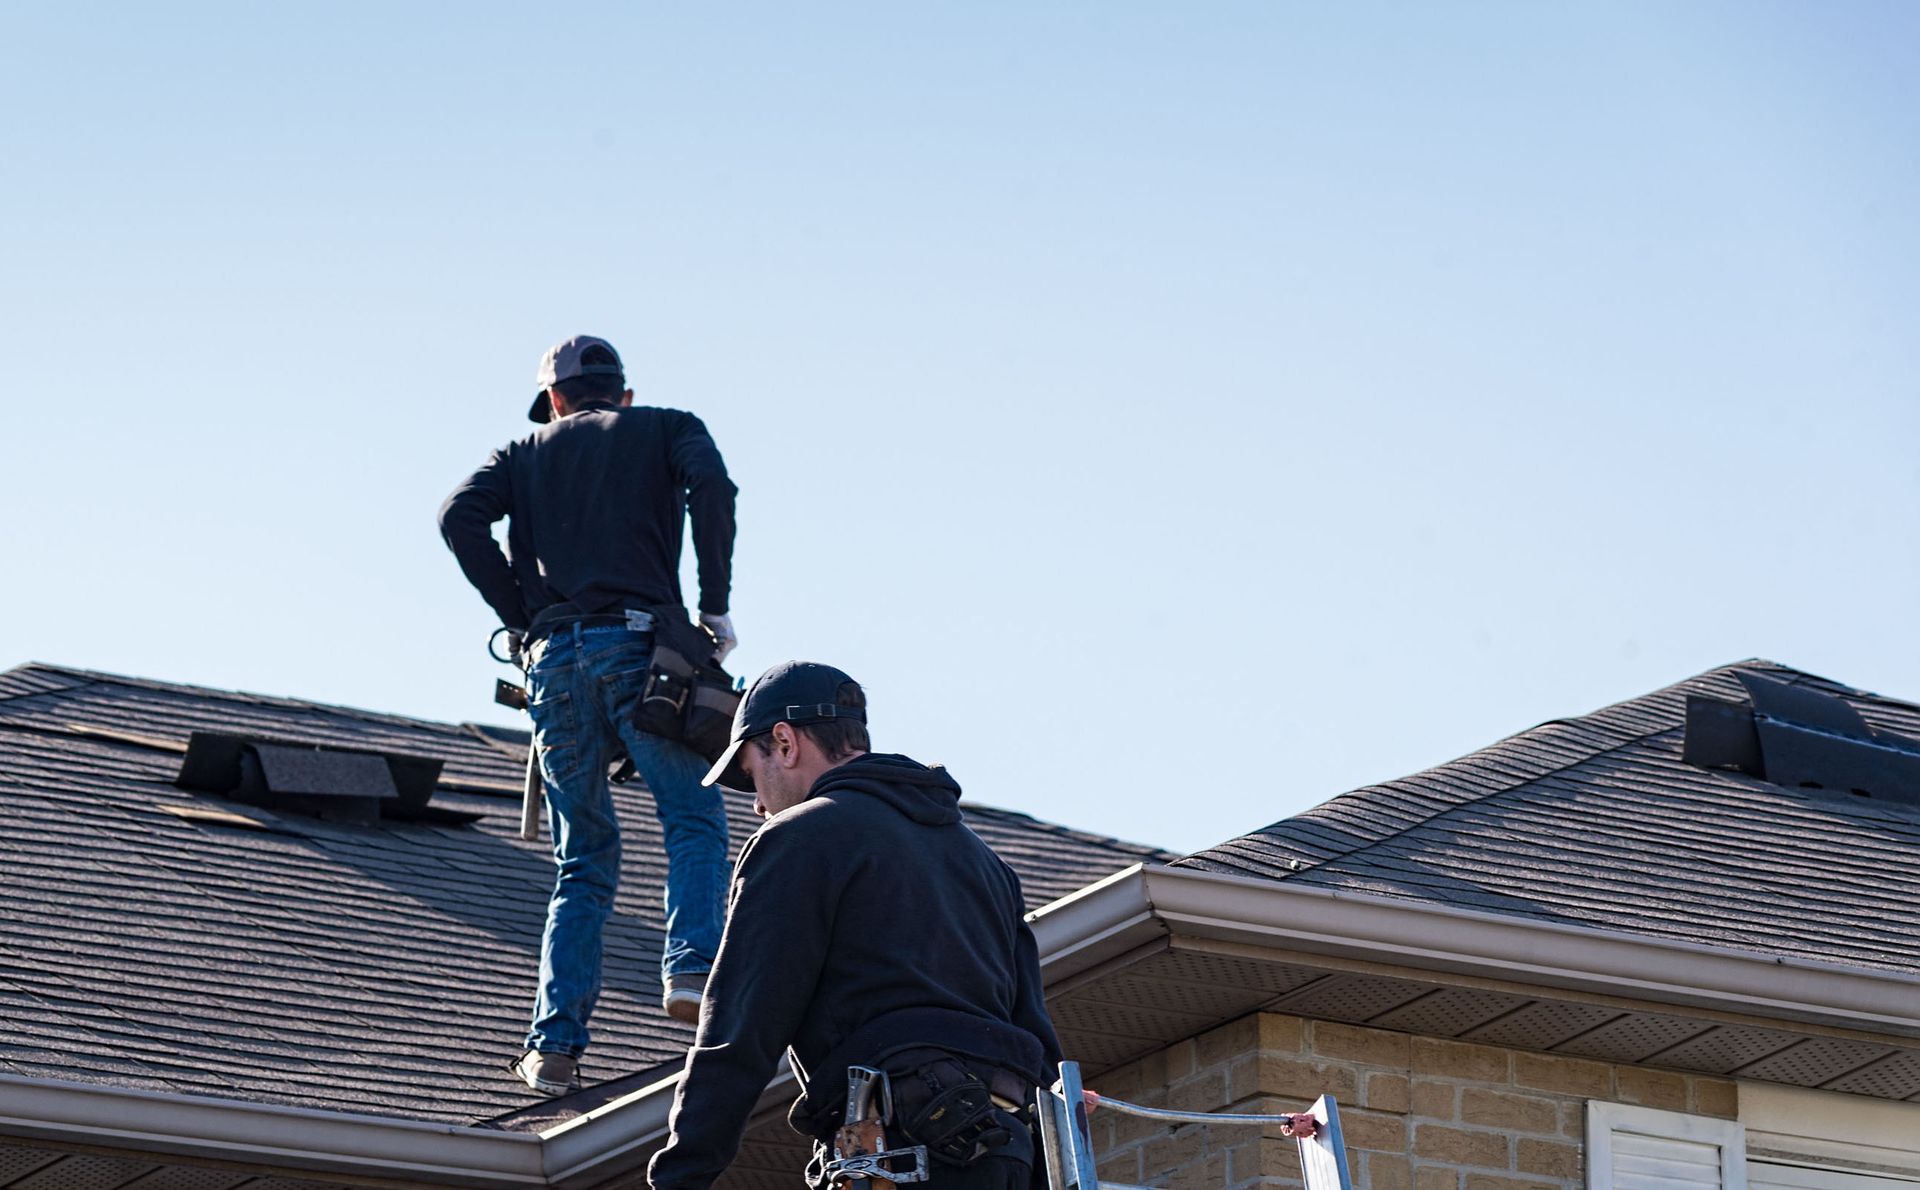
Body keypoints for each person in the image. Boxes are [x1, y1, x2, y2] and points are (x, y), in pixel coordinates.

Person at [438, 334, 738, 1096]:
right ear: (623, 395)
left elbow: (457, 518)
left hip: (554, 664)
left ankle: (553, 1049)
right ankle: (693, 972)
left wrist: (522, 611)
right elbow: (714, 489)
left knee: (583, 859)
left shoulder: (522, 453)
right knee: (693, 817)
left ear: (558, 400)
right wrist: (713, 606)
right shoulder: (667, 427)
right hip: (640, 651)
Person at [648, 661, 1062, 1190]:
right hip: (1008, 1149)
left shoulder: (801, 838)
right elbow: (1039, 1042)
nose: (755, 804)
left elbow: (740, 1028)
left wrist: (680, 1175)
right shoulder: (984, 861)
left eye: (752, 772)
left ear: (784, 741)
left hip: (903, 1145)